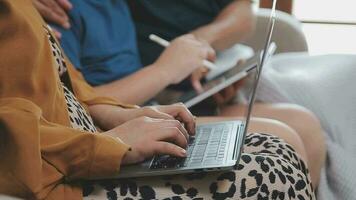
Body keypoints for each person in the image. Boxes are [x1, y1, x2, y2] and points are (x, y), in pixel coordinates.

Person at [0, 0, 317, 199]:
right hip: (65, 165)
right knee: (274, 168)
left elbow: (68, 87)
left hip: (87, 135)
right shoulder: (59, 12)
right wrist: (112, 141)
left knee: (280, 147)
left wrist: (119, 114)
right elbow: (15, 135)